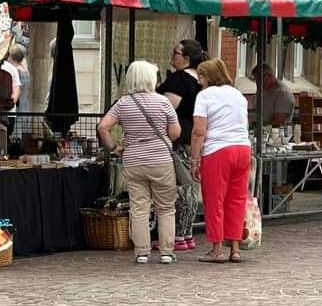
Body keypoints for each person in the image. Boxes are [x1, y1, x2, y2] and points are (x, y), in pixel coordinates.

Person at [98, 60, 181, 264]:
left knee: (139, 207)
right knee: (165, 207)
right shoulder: (163, 102)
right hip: (160, 159)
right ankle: (166, 251)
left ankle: (141, 251)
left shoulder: (123, 103)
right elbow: (175, 132)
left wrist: (115, 147)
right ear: (151, 79)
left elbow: (103, 127)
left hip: (133, 160)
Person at [191, 59, 251, 263]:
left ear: (207, 77)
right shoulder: (238, 95)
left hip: (218, 150)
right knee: (236, 199)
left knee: (215, 200)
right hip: (242, 148)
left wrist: (194, 159)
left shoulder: (204, 96)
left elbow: (199, 131)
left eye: (201, 77)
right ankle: (235, 248)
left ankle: (217, 249)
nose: (199, 81)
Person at [155, 39, 205, 251]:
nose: (171, 55)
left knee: (183, 187)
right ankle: (186, 233)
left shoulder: (179, 80)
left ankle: (179, 234)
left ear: (185, 58)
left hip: (178, 138)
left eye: (175, 52)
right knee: (190, 186)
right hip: (192, 136)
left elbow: (167, 110)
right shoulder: (201, 80)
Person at [251, 63, 295, 127]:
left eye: (258, 79)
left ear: (268, 76)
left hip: (274, 133)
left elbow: (278, 122)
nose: (257, 83)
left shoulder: (282, 93)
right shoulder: (263, 88)